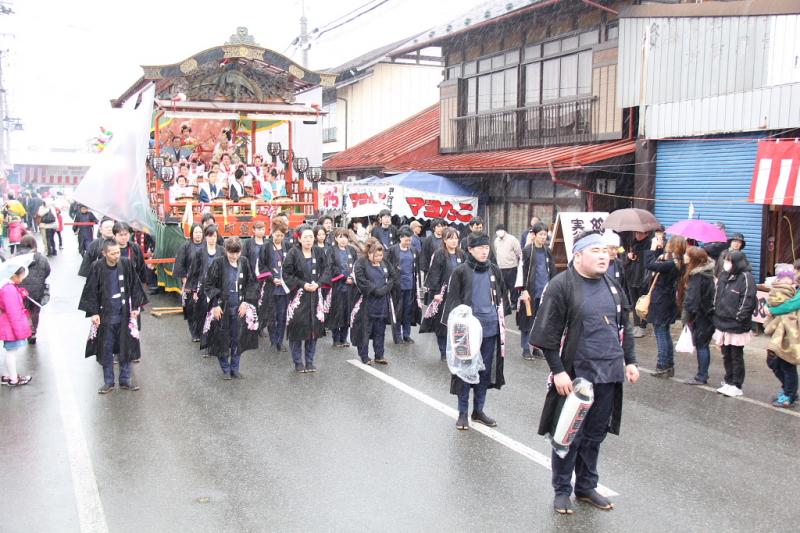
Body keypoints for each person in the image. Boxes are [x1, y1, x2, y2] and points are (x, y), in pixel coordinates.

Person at [529, 231, 639, 515]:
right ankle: (562, 489)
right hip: (575, 374)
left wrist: (630, 361)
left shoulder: (613, 285)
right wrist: (558, 371)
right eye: (596, 251)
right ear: (578, 255)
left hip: (609, 372)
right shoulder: (561, 286)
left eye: (606, 251)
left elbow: (622, 326)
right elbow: (548, 333)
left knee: (594, 434)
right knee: (568, 435)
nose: (604, 256)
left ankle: (587, 486)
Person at [442, 231, 510, 431]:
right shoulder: (461, 271)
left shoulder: (494, 271)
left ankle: (478, 410)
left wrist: (500, 318)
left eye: (486, 248)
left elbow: (503, 297)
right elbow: (453, 300)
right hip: (467, 332)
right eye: (479, 248)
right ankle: (463, 412)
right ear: (470, 250)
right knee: (465, 371)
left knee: (485, 372)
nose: (484, 251)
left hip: (490, 329)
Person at [78, 239, 148, 394]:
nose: (116, 255)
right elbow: (90, 290)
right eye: (112, 253)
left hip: (124, 313)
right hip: (106, 315)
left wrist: (136, 307)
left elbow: (135, 285)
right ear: (104, 253)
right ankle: (108, 381)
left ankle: (125, 379)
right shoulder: (97, 267)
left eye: (118, 252)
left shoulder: (126, 264)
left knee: (126, 347)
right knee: (106, 349)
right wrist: (94, 312)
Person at [204, 236, 259, 380]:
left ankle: (235, 368)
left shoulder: (245, 262)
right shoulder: (218, 263)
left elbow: (252, 283)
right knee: (222, 339)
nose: (234, 256)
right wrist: (215, 305)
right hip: (222, 308)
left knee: (237, 339)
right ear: (226, 251)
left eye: (237, 253)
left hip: (239, 307)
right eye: (231, 253)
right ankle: (225, 369)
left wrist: (246, 302)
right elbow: (209, 285)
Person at [282, 225, 328, 373]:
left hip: (315, 295)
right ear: (299, 239)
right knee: (297, 329)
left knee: (313, 329)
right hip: (299, 296)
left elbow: (327, 270)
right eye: (305, 237)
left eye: (311, 237)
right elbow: (287, 274)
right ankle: (297, 362)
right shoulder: (293, 253)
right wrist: (302, 284)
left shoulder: (319, 252)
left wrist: (319, 283)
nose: (309, 240)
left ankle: (309, 361)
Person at [713, 250, 757, 397]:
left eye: (730, 261)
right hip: (722, 322)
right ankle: (729, 381)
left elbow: (747, 300)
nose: (727, 264)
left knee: (736, 356)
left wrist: (739, 317)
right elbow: (718, 296)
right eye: (726, 260)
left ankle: (737, 384)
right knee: (726, 354)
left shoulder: (746, 277)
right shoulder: (724, 275)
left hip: (736, 325)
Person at [419, 227, 465, 361]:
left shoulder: (461, 254)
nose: (454, 241)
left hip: (458, 294)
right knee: (443, 323)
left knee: (458, 323)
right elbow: (434, 273)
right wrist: (435, 293)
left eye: (456, 238)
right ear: (445, 240)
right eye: (451, 238)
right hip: (443, 294)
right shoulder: (439, 254)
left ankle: (457, 350)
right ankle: (443, 351)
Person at [646, 234, 686, 378]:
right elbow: (658, 265)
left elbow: (650, 265)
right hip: (669, 300)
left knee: (661, 334)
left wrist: (651, 250)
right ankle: (669, 365)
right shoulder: (679, 262)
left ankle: (662, 366)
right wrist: (658, 252)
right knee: (665, 333)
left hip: (661, 301)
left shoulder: (670, 264)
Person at [351, 238, 396, 365]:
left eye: (381, 255)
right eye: (376, 255)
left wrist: (386, 288)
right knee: (364, 331)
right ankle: (364, 356)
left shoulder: (385, 263)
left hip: (382, 303)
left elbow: (393, 276)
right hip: (366, 302)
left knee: (380, 331)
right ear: (369, 253)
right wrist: (375, 290)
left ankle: (379, 355)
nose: (378, 257)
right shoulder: (361, 263)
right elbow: (361, 280)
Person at [517, 222, 555, 360]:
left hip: (544, 290)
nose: (543, 237)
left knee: (541, 321)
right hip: (530, 291)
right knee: (528, 319)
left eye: (545, 234)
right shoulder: (527, 251)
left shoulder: (547, 251)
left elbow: (552, 270)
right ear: (534, 235)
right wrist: (523, 290)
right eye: (541, 234)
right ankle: (526, 348)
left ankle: (537, 347)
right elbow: (521, 272)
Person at [764, 264, 800, 408]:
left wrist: (772, 310)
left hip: (793, 333)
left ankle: (789, 395)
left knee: (787, 363)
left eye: (797, 271)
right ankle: (789, 390)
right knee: (775, 361)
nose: (796, 274)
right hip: (785, 332)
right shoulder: (795, 288)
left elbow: (790, 306)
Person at [680, 246, 716, 385]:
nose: (684, 256)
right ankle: (702, 374)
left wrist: (687, 318)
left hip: (701, 316)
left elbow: (691, 300)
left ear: (693, 259)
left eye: (687, 255)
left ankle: (702, 376)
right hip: (707, 314)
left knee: (702, 345)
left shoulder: (697, 276)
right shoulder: (707, 273)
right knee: (703, 345)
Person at [186, 225, 224, 353]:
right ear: (205, 236)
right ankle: (206, 344)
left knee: (217, 315)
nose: (212, 238)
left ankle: (215, 342)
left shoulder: (222, 251)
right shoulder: (200, 252)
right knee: (203, 315)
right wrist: (194, 290)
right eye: (209, 235)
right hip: (203, 288)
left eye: (214, 236)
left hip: (218, 288)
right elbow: (194, 272)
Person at [257, 219, 290, 352]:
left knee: (282, 315)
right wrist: (271, 278)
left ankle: (280, 341)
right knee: (272, 314)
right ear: (272, 233)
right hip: (271, 286)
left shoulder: (287, 246)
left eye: (282, 235)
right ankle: (273, 339)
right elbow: (261, 266)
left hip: (284, 287)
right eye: (277, 235)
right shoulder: (266, 246)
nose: (279, 238)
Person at [0, 259, 33, 387]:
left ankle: (6, 376)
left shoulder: (9, 288)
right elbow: (13, 312)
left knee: (9, 351)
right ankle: (13, 379)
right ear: (14, 276)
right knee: (11, 352)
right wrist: (19, 331)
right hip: (10, 326)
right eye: (21, 276)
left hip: (7, 325)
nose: (22, 278)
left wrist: (21, 293)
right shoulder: (9, 290)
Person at [324, 228, 359, 348]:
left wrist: (353, 278)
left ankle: (344, 338)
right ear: (336, 238)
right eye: (340, 237)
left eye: (345, 237)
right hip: (337, 286)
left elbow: (357, 266)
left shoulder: (352, 251)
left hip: (350, 287)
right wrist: (344, 277)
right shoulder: (331, 251)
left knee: (347, 312)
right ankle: (336, 339)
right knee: (336, 312)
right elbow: (331, 267)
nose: (343, 239)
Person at [386, 226, 421, 344]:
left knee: (408, 311)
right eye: (406, 240)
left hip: (410, 285)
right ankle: (397, 335)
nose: (408, 242)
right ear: (400, 238)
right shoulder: (392, 250)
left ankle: (407, 334)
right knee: (397, 311)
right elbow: (387, 266)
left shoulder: (413, 250)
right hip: (397, 286)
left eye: (410, 240)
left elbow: (416, 267)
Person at [15, 235, 50, 345]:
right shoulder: (40, 258)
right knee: (35, 311)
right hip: (38, 288)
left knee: (25, 311)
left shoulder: (16, 258)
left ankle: (28, 331)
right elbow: (47, 270)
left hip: (21, 288)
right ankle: (33, 331)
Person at [174, 223, 205, 340]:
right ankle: (194, 333)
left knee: (203, 308)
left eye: (200, 232)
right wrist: (185, 282)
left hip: (203, 281)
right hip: (190, 281)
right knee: (191, 308)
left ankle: (203, 331)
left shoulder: (207, 246)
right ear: (192, 233)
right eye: (196, 232)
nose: (198, 235)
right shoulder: (186, 247)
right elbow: (180, 265)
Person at [624, 231, 652, 338]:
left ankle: (643, 326)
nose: (638, 235)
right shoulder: (633, 243)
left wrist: (637, 256)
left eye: (640, 233)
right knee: (634, 302)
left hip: (642, 277)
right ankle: (636, 325)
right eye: (636, 233)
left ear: (646, 234)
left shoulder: (649, 244)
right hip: (632, 276)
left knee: (643, 303)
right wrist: (628, 256)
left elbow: (649, 260)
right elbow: (625, 258)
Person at [494, 223, 522, 308]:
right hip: (501, 267)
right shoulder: (496, 241)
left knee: (513, 286)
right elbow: (496, 251)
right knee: (503, 287)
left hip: (512, 267)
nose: (499, 233)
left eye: (501, 230)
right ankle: (505, 304)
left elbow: (518, 252)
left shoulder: (512, 239)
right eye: (497, 231)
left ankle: (514, 302)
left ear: (504, 230)